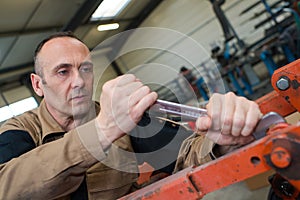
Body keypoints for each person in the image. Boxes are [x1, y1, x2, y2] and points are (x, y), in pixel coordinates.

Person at [0, 31, 262, 199]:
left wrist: (218, 140)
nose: (79, 81)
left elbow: (182, 153)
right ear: (38, 85)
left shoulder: (123, 118)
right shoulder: (19, 131)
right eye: (63, 71)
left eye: (86, 69)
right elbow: (6, 187)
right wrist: (100, 133)